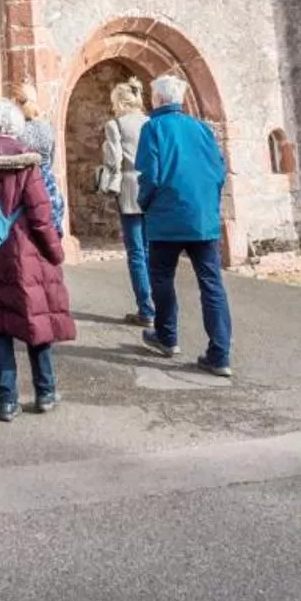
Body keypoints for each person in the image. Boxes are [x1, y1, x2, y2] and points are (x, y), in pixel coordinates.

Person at [0, 98, 75, 420]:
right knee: (35, 320)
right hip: (24, 253)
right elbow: (41, 215)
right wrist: (55, 251)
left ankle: (7, 399)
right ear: (15, 127)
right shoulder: (27, 163)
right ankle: (45, 391)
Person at [134, 74, 232, 377]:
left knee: (162, 276)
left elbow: (150, 173)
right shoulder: (201, 128)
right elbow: (219, 169)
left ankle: (167, 336)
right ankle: (220, 353)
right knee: (211, 283)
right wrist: (209, 202)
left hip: (167, 216)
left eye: (153, 95)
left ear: (160, 99)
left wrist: (145, 202)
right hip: (202, 217)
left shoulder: (153, 128)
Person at [100, 79, 155, 326]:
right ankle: (159, 305)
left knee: (136, 252)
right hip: (152, 189)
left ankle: (146, 309)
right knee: (152, 250)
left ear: (118, 101)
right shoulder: (150, 123)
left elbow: (114, 160)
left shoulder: (115, 125)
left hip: (130, 190)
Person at [13, 88, 66, 236]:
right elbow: (52, 155)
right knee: (51, 223)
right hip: (47, 177)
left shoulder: (18, 129)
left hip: (26, 178)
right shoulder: (47, 127)